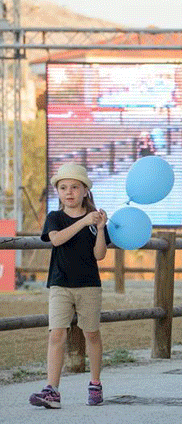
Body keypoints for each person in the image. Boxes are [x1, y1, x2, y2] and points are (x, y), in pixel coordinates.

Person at [30, 163, 109, 409]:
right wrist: (84, 221)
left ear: (85, 190)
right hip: (60, 284)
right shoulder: (55, 217)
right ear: (58, 192)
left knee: (92, 334)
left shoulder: (95, 219)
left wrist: (98, 228)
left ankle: (95, 383)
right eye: (63, 188)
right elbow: (56, 239)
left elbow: (100, 255)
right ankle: (52, 389)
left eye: (75, 187)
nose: (69, 192)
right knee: (57, 334)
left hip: (89, 286)